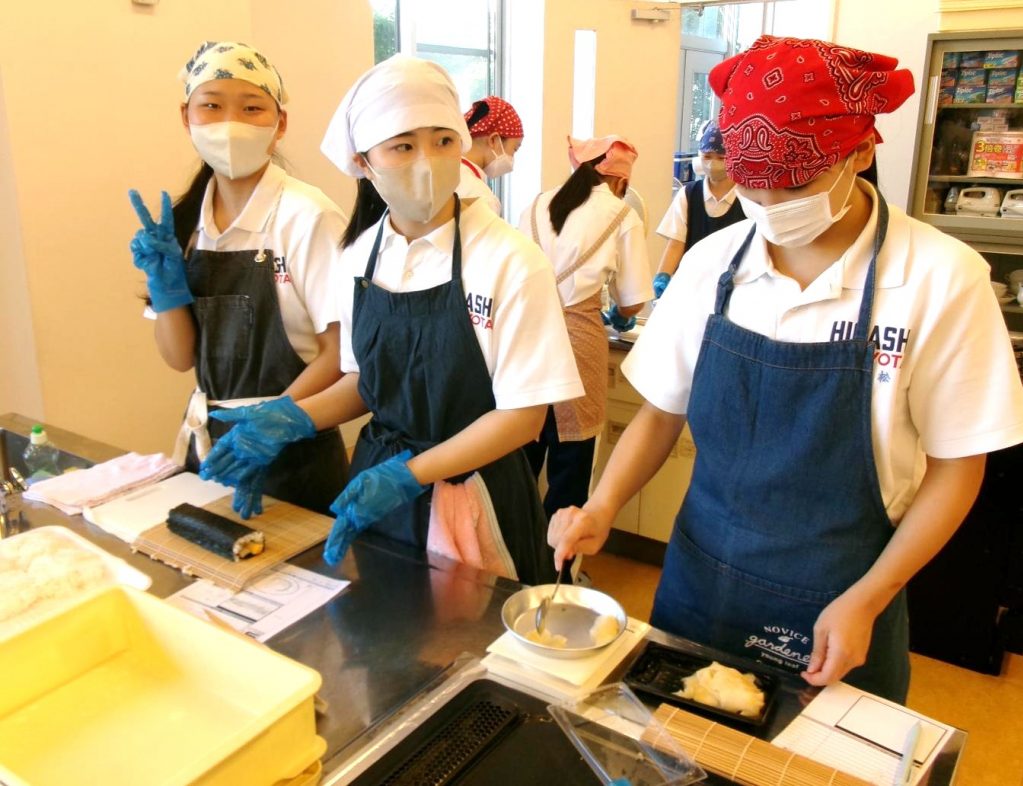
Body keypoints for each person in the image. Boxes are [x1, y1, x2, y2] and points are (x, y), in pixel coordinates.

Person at [546, 35, 1023, 703]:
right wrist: (602, 505)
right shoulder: (712, 266)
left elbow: (957, 467)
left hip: (842, 600)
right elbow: (661, 413)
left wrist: (871, 595)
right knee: (671, 746)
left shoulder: (941, 278)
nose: (769, 203)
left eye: (795, 183)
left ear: (861, 151)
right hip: (701, 581)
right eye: (750, 180)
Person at [200, 55, 583, 585]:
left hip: (476, 494)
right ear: (364, 162)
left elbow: (522, 419)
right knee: (378, 620)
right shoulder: (359, 257)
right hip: (376, 489)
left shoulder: (510, 260)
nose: (427, 161)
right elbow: (365, 383)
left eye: (443, 141)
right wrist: (292, 418)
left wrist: (411, 474)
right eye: (403, 146)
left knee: (469, 626)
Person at [128, 40, 348, 516]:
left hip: (295, 446)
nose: (231, 123)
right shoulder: (185, 222)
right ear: (186, 116)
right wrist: (166, 290)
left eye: (251, 108)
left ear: (279, 123)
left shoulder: (307, 217)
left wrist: (271, 422)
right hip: (210, 442)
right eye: (211, 106)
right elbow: (179, 357)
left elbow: (340, 353)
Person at [518, 135, 652, 519]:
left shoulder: (536, 204)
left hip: (526, 339)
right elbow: (633, 301)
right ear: (621, 182)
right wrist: (620, 314)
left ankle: (512, 551)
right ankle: (558, 554)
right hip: (579, 344)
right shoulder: (622, 215)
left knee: (519, 456)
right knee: (571, 467)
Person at [653, 121, 744, 299]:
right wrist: (662, 276)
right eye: (707, 156)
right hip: (692, 284)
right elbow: (675, 243)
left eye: (721, 157)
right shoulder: (688, 195)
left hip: (735, 287)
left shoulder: (748, 197)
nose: (712, 164)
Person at [456, 96, 524, 214]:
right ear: (493, 140)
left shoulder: (449, 175)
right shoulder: (481, 197)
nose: (512, 159)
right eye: (514, 149)